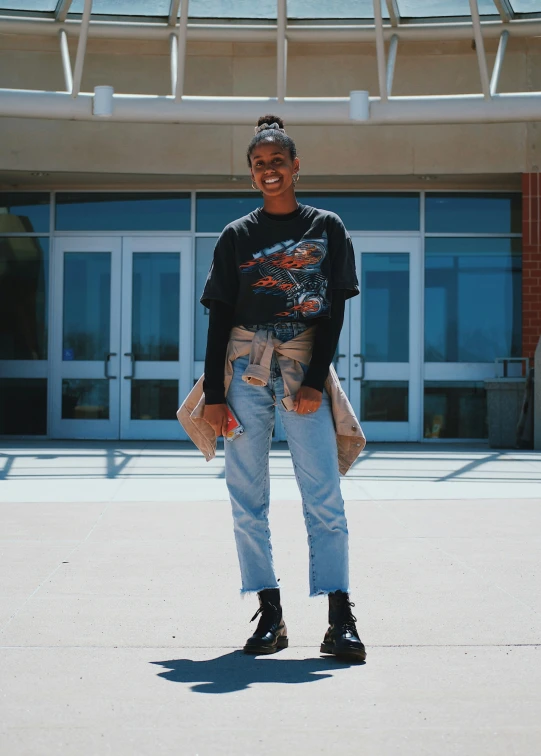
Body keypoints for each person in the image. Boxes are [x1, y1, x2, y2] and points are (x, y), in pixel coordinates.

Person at [199, 114, 366, 662]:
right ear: (251, 175)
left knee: (324, 496)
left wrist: (315, 380)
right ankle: (270, 614)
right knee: (246, 498)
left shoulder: (328, 226)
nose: (269, 171)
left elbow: (335, 312)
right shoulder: (237, 236)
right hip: (243, 370)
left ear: (296, 166)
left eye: (277, 162)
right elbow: (218, 318)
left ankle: (340, 619)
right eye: (259, 164)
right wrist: (216, 399)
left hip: (301, 369)